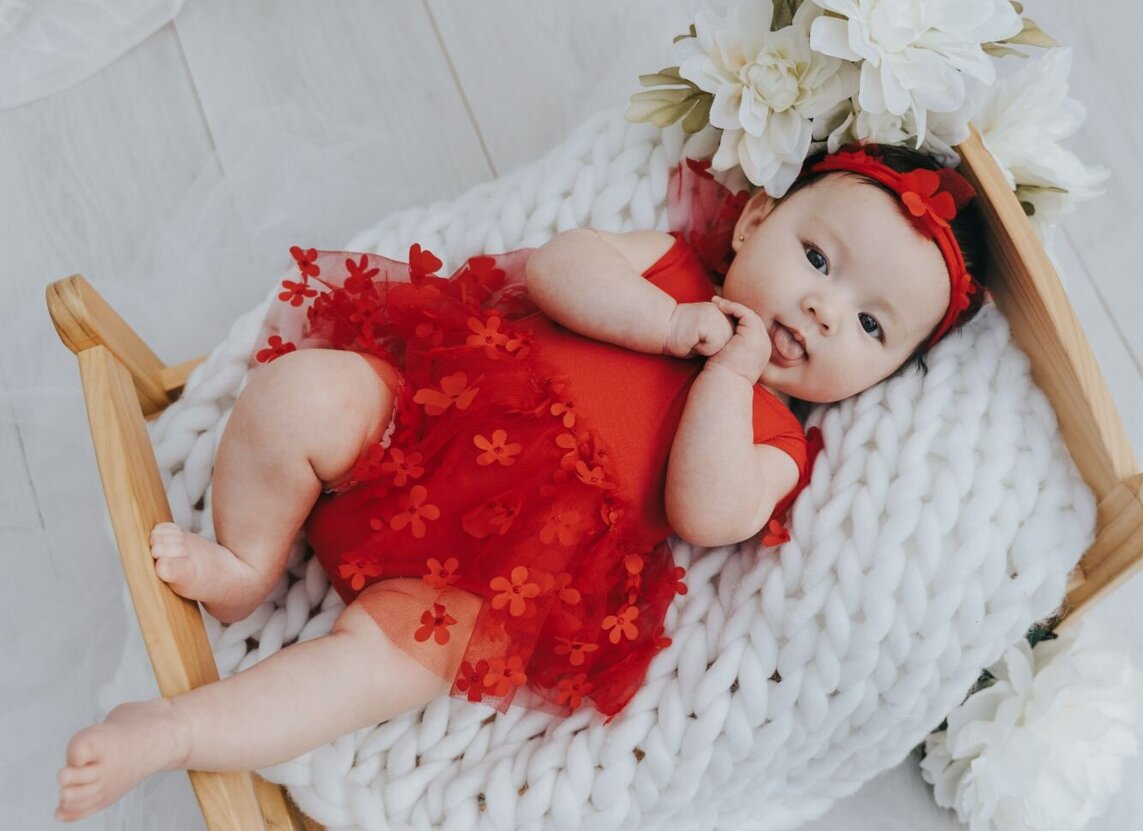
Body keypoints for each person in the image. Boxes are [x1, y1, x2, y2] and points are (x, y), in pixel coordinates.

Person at [54, 141, 989, 822]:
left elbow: (707, 513)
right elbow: (558, 268)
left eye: (872, 328)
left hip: (491, 580)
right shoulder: (666, 268)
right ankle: (248, 559)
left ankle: (176, 731)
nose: (826, 311)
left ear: (885, 374)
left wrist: (728, 377)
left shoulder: (774, 434)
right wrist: (667, 327)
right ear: (751, 221)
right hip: (420, 419)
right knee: (302, 392)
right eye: (818, 260)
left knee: (375, 668)